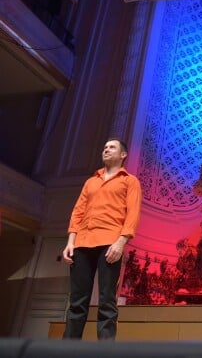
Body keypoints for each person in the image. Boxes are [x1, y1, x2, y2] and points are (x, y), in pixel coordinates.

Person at [62, 138, 142, 340]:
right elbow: (78, 212)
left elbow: (132, 214)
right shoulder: (91, 181)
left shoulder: (130, 181)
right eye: (105, 147)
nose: (106, 150)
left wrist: (121, 242)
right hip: (82, 243)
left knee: (107, 301)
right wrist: (71, 241)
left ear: (123, 155)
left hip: (110, 244)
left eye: (111, 147)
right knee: (77, 301)